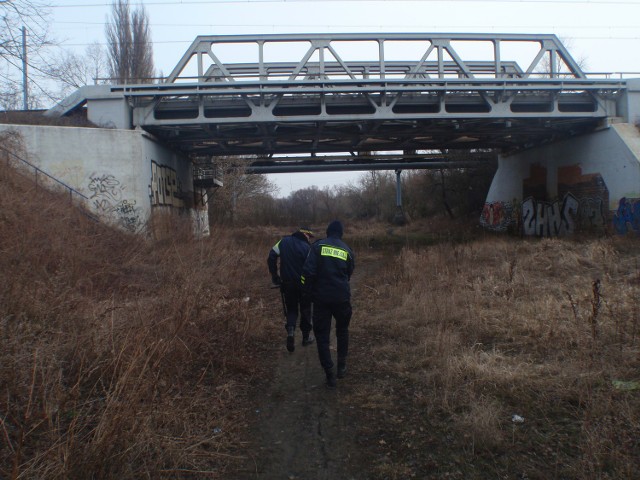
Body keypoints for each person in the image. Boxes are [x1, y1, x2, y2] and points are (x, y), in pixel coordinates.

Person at [301, 220, 355, 389]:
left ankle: (329, 373)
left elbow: (307, 273)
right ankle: (342, 366)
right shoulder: (347, 250)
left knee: (322, 336)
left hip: (321, 300)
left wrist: (306, 294)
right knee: (342, 331)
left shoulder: (317, 247)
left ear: (327, 232)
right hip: (342, 298)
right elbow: (349, 273)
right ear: (341, 233)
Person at [268, 227, 316, 352]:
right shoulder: (308, 248)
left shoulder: (283, 242)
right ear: (305, 234)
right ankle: (306, 338)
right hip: (304, 285)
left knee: (292, 309)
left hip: (287, 283)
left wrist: (275, 276)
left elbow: (272, 255)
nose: (309, 239)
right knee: (305, 309)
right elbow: (312, 268)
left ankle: (290, 332)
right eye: (309, 236)